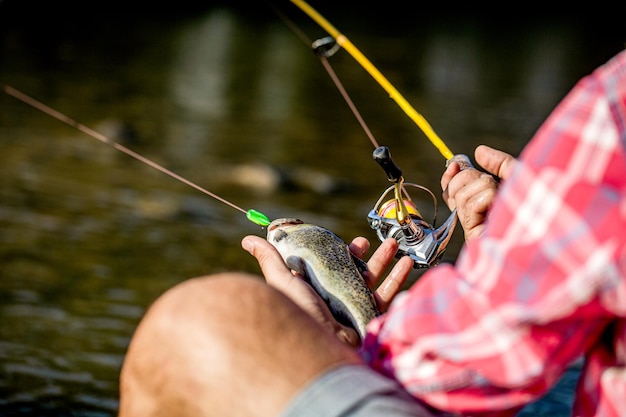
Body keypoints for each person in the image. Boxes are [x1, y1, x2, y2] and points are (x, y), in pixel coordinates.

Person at [118, 49, 626, 417]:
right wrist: (520, 243)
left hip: (386, 349)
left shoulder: (613, 108)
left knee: (195, 324)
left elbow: (481, 370)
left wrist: (339, 343)